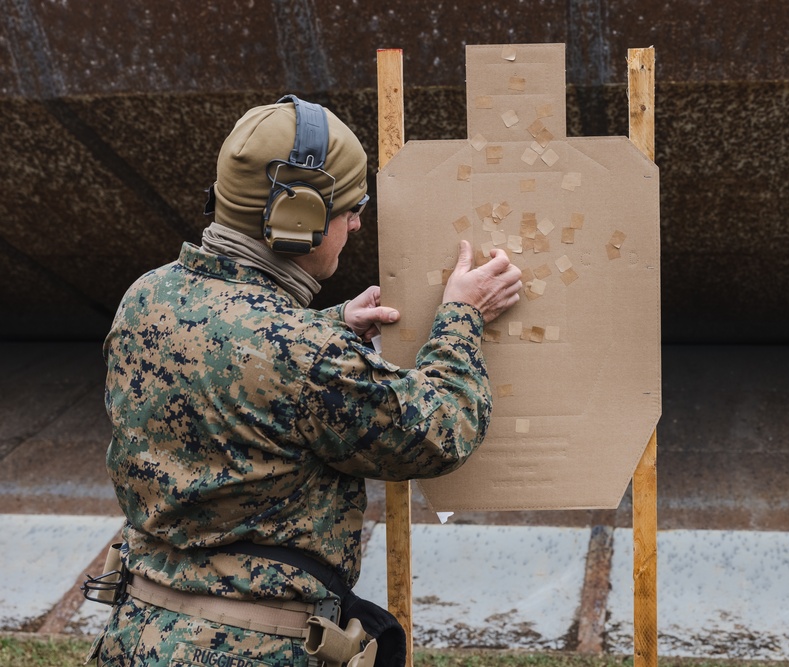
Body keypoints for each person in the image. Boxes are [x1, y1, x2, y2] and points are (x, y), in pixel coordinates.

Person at [88, 96, 521, 666]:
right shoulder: (305, 355)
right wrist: (463, 317)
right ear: (299, 221)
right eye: (350, 208)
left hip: (138, 636)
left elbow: (229, 351)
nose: (359, 223)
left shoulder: (146, 297)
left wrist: (330, 325)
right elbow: (438, 431)